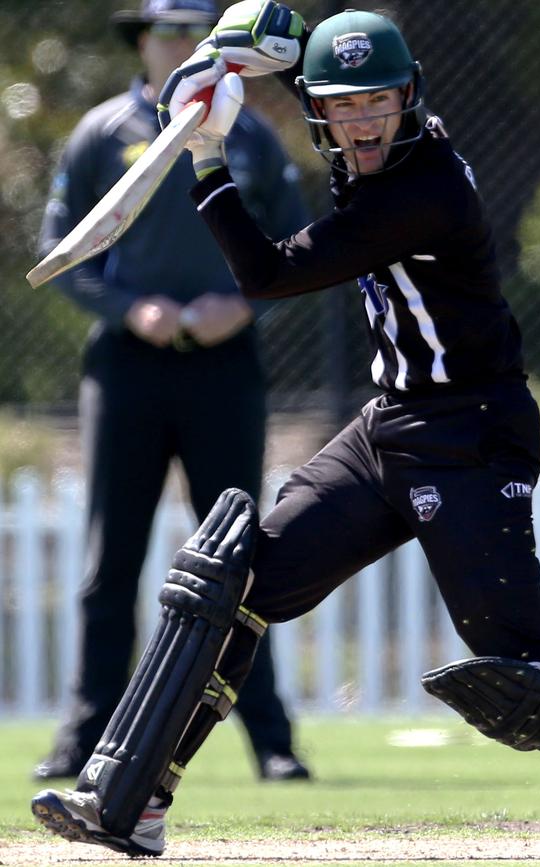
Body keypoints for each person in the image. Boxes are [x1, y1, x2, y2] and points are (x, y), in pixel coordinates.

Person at [33, 2, 540, 857]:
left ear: (409, 97)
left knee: (522, 678)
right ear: (319, 109)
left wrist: (208, 158)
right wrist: (242, 57)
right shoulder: (367, 141)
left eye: (378, 101)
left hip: (471, 434)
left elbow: (268, 272)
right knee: (231, 586)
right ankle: (132, 800)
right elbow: (303, 59)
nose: (362, 121)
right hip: (388, 425)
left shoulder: (420, 189)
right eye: (341, 105)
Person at [33, 0, 310, 786]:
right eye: (169, 32)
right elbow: (64, 250)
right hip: (128, 365)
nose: (183, 45)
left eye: (197, 32)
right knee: (110, 561)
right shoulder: (100, 132)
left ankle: (273, 742)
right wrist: (133, 310)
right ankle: (81, 739)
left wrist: (242, 303)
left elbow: (295, 247)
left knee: (238, 560)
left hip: (226, 368)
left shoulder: (249, 135)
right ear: (144, 43)